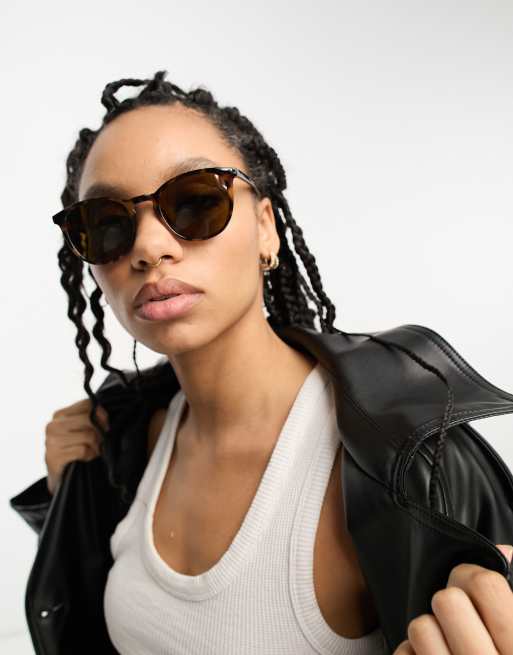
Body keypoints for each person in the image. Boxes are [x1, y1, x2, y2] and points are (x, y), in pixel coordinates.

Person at [10, 70, 513, 655]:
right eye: (107, 224)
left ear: (266, 229)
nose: (148, 248)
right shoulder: (124, 445)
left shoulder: (409, 459)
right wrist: (69, 498)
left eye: (194, 202)